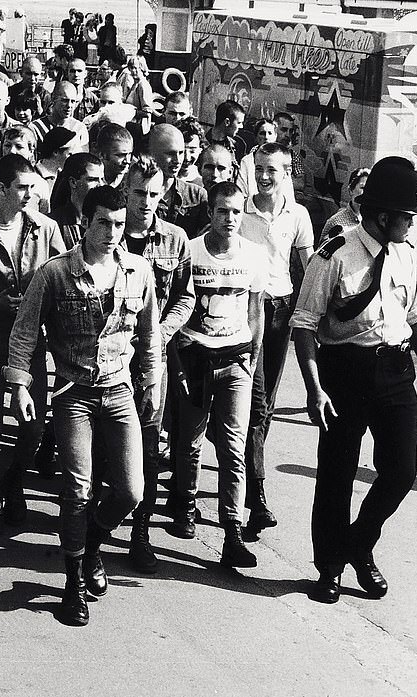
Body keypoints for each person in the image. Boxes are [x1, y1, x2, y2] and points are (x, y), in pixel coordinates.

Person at [6, 184, 160, 626]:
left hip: (119, 391)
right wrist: (19, 385)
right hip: (74, 394)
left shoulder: (138, 271)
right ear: (85, 223)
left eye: (118, 224)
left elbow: (149, 336)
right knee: (77, 488)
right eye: (103, 223)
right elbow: (24, 332)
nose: (112, 233)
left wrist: (151, 383)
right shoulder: (55, 273)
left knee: (131, 490)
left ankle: (90, 544)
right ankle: (73, 581)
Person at [290, 156, 417, 604]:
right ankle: (329, 566)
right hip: (345, 371)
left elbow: (414, 319)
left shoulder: (409, 255)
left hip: (396, 369)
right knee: (337, 472)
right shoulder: (336, 254)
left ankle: (358, 545)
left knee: (402, 470)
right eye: (407, 215)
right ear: (384, 216)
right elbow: (304, 323)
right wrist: (313, 387)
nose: (412, 222)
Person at [167, 181, 266, 570]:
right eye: (222, 211)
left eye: (236, 212)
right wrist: (177, 361)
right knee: (189, 441)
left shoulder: (253, 255)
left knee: (232, 447)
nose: (229, 219)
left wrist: (253, 357)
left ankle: (232, 532)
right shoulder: (190, 251)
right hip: (195, 357)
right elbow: (176, 306)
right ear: (210, 212)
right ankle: (185, 504)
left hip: (236, 359)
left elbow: (256, 309)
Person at [0, 154, 65, 533]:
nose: (29, 194)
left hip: (30, 341)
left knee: (33, 424)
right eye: (21, 187)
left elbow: (62, 278)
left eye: (32, 187)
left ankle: (14, 483)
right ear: (2, 188)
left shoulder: (45, 229)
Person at [115, 155, 193, 572]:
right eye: (139, 193)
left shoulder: (176, 240)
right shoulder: (106, 232)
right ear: (125, 191)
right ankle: (99, 520)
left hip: (152, 359)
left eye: (153, 193)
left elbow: (185, 295)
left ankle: (139, 532)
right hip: (109, 356)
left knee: (148, 445)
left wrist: (160, 332)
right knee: (105, 443)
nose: (146, 201)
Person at [239, 142, 313, 538]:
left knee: (264, 404)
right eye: (260, 168)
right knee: (254, 399)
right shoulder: (241, 210)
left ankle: (247, 468)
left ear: (288, 173)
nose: (265, 177)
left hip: (282, 313)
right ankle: (257, 492)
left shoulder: (297, 215)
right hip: (249, 310)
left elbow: (308, 269)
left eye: (274, 170)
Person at [148, 123, 209, 239]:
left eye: (180, 153)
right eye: (170, 153)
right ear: (152, 153)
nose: (178, 160)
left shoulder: (197, 196)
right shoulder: (138, 193)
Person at [49, 151, 102, 248]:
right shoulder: (52, 224)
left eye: (102, 179)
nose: (100, 185)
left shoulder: (106, 220)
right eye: (92, 180)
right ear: (73, 182)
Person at [29, 81, 88, 153]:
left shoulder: (79, 128)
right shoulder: (36, 128)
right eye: (64, 100)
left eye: (73, 101)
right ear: (53, 98)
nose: (69, 105)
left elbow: (84, 159)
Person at [320, 167, 370, 244]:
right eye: (362, 188)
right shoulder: (336, 222)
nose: (367, 192)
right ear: (351, 190)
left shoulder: (373, 222)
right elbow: (321, 253)